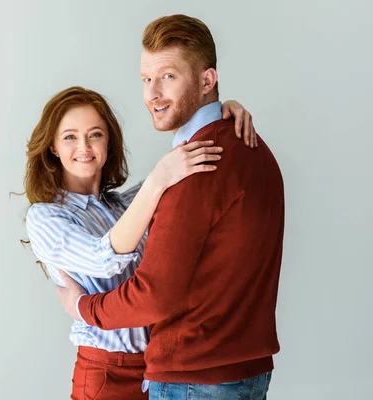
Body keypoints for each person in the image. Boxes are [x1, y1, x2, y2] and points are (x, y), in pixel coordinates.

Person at [56, 14, 285, 400]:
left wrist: (85, 308)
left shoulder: (196, 166)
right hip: (248, 373)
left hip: (194, 378)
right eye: (147, 80)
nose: (153, 95)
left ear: (207, 79)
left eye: (168, 77)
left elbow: (153, 294)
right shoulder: (254, 147)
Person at [24, 85, 258, 399]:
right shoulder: (45, 216)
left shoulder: (123, 205)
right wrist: (159, 179)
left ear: (108, 141)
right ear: (52, 146)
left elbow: (183, 168)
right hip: (105, 371)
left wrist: (221, 114)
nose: (84, 146)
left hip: (157, 367)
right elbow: (102, 258)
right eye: (69, 136)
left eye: (95, 134)